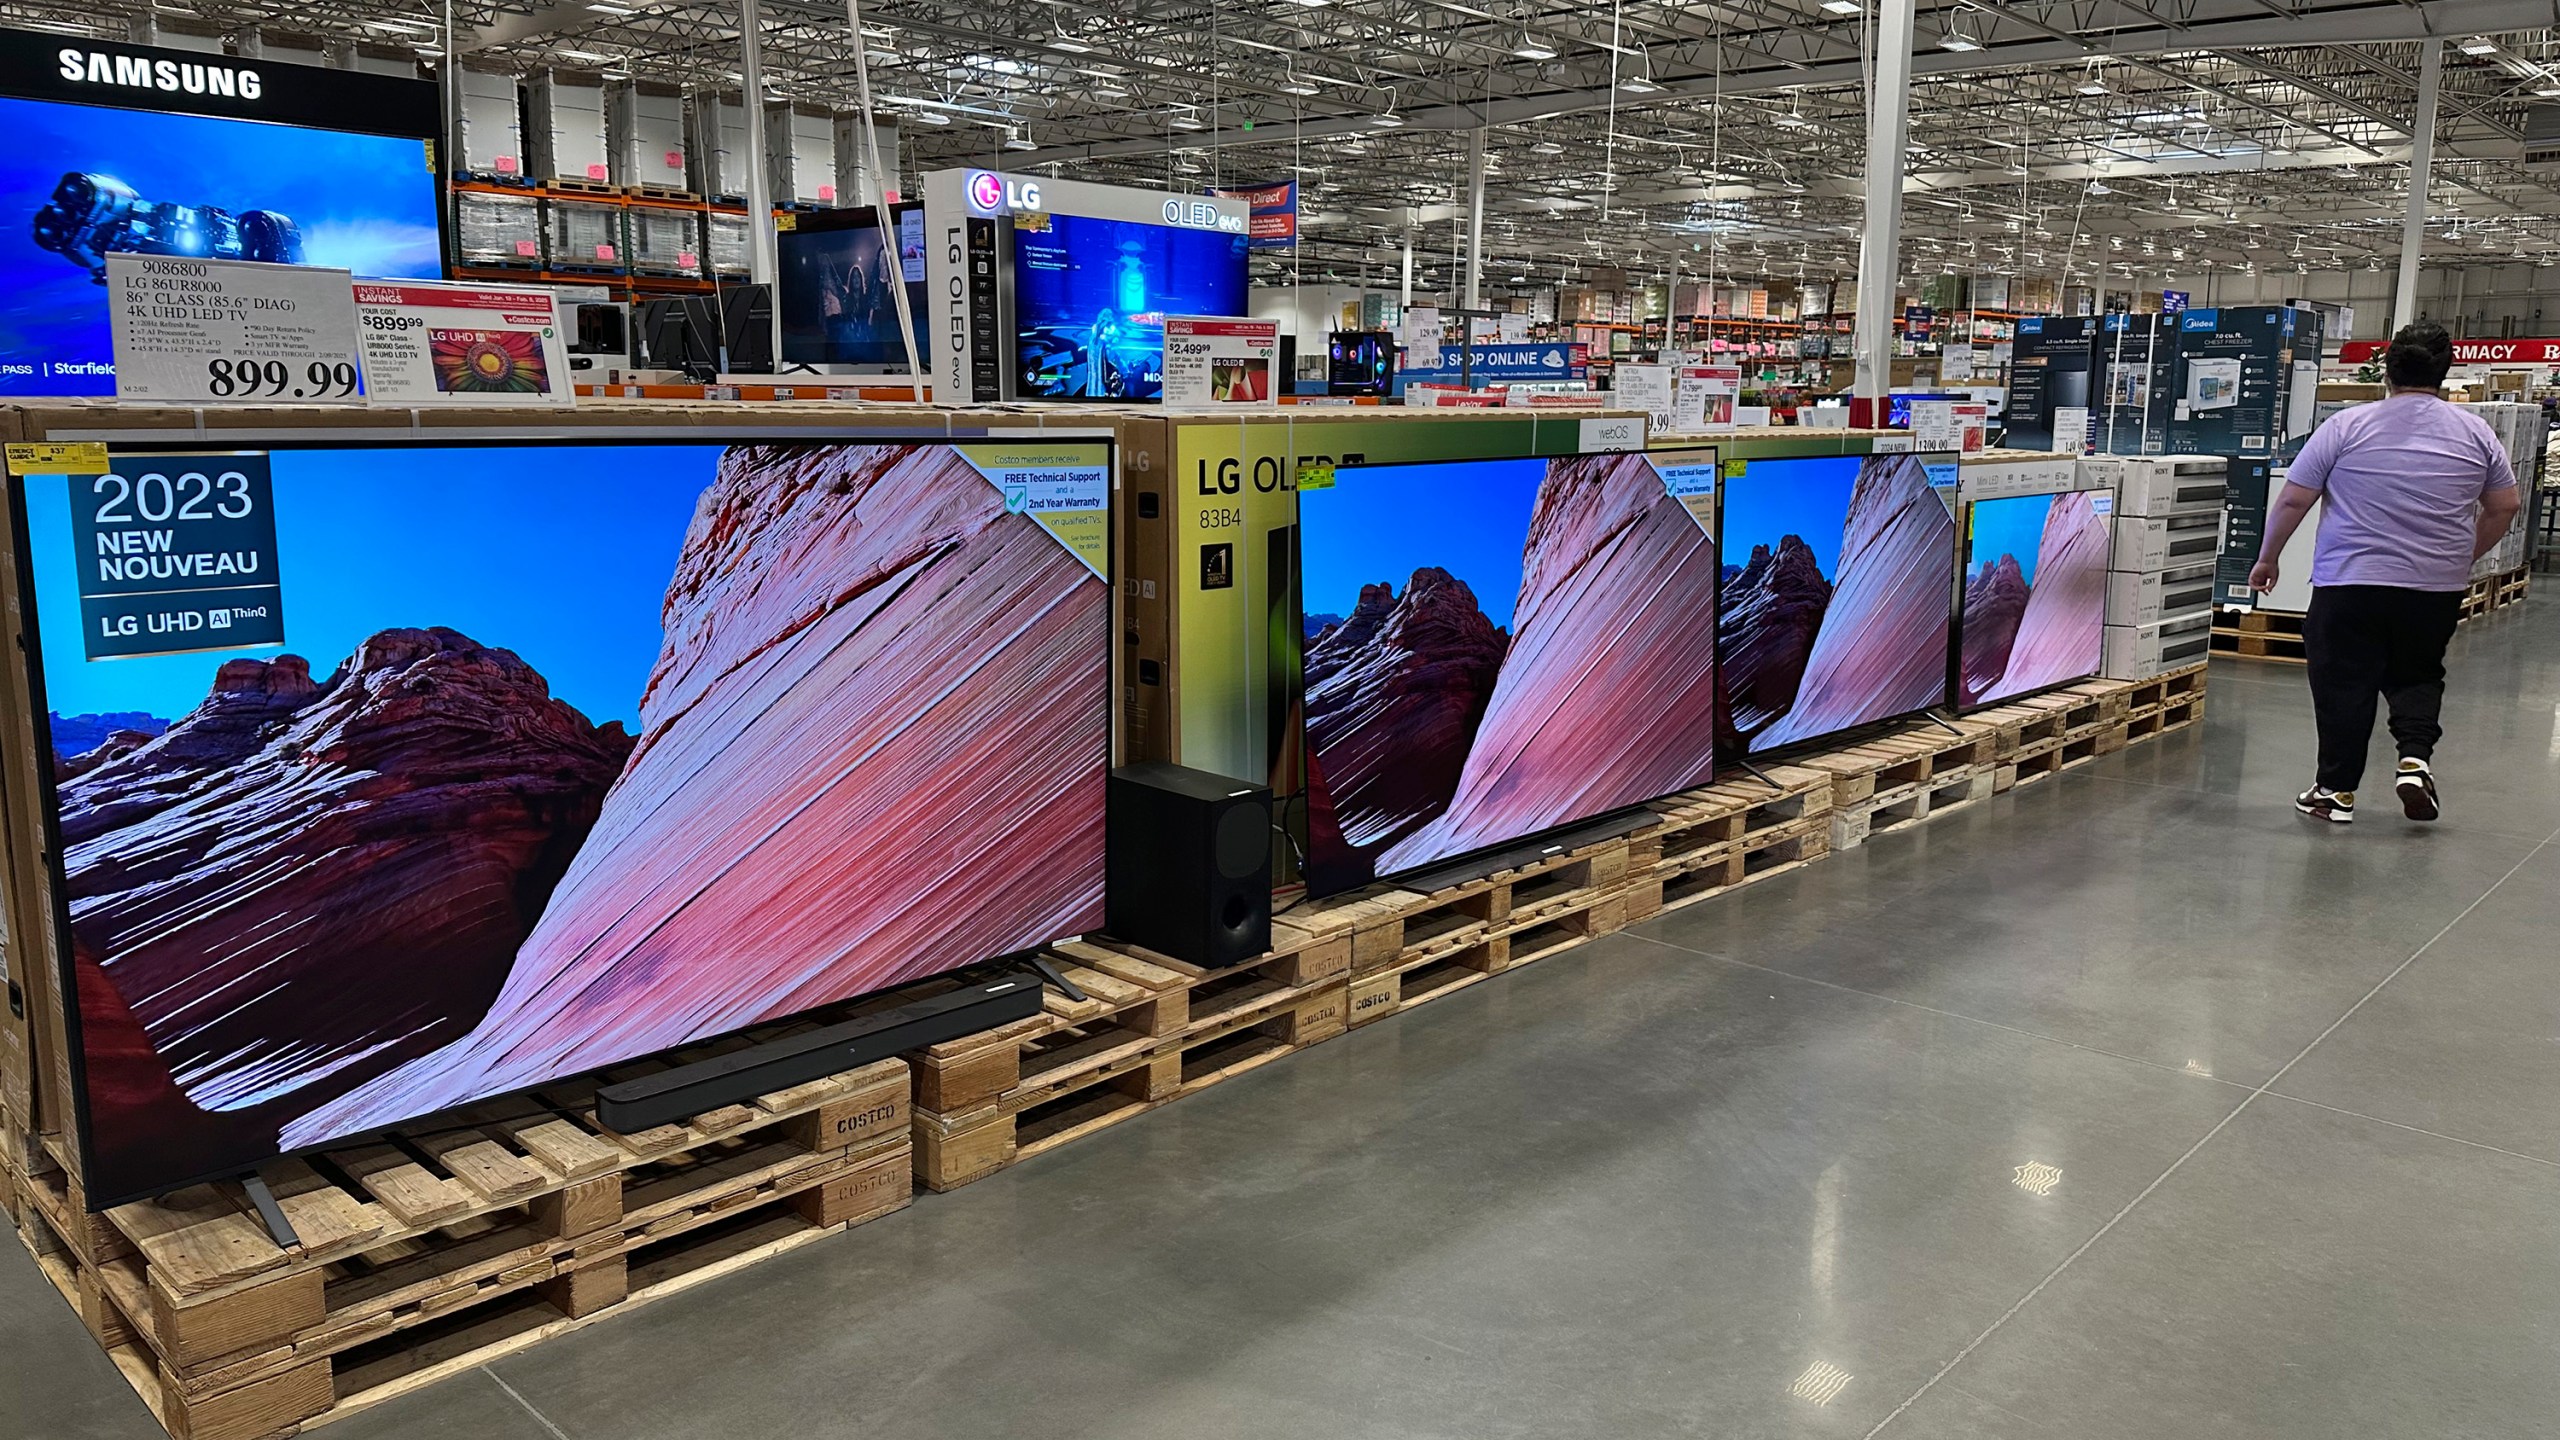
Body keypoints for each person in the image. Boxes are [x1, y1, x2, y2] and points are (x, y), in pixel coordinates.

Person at [2248, 321, 2522, 825]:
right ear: (2444, 371)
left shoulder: (2347, 426)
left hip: (2351, 580)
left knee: (2343, 682)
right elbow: (2505, 505)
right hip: (2433, 586)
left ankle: (2335, 792)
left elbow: (2293, 498)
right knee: (2417, 673)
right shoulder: (2476, 432)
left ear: (2387, 370)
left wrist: (2268, 558)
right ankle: (2415, 760)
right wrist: (2465, 556)